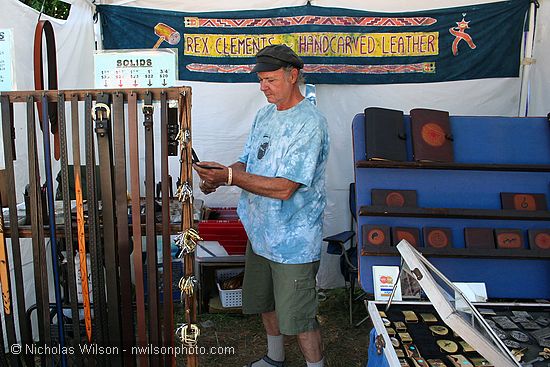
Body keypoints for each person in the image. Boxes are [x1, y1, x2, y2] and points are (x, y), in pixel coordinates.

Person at [193, 44, 329, 367]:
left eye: (269, 80)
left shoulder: (310, 123)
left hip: (293, 243)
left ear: (292, 76)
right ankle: (274, 358)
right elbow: (247, 162)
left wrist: (230, 177)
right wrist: (220, 176)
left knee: (300, 317)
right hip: (260, 233)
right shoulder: (264, 115)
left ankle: (316, 365)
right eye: (261, 80)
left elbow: (285, 188)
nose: (262, 87)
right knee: (265, 302)